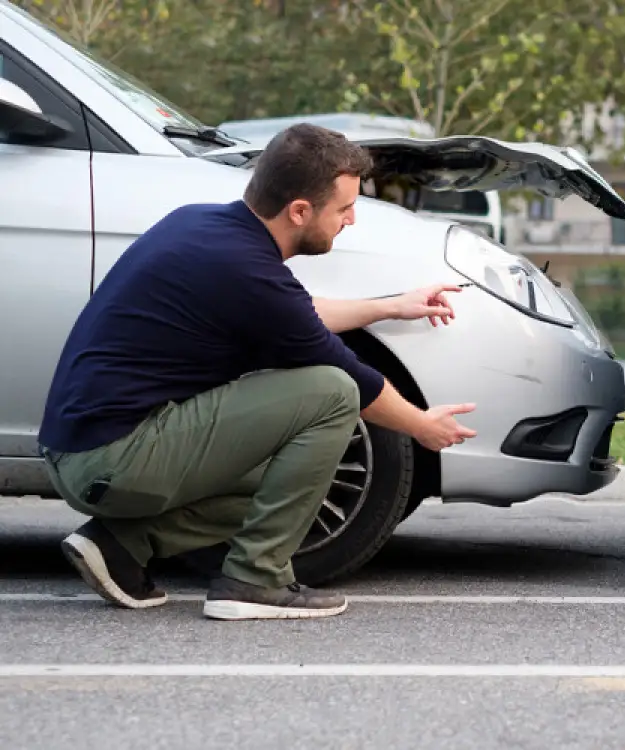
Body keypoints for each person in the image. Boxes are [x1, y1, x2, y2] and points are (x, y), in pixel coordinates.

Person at [38, 123, 477, 621]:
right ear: (299, 211)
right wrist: (423, 426)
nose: (352, 220)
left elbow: (295, 312)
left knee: (295, 476)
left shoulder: (203, 226)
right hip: (112, 459)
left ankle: (120, 544)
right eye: (344, 208)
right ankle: (254, 580)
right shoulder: (246, 271)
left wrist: (392, 306)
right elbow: (352, 377)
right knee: (331, 391)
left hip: (86, 451)